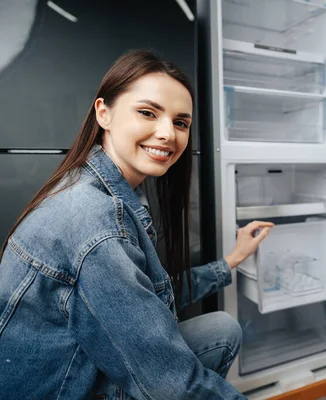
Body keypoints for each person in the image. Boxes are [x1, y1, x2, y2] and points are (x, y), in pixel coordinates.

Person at [0, 50, 272, 399]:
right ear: (104, 113)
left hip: (79, 364)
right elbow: (170, 382)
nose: (167, 134)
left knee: (221, 329)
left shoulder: (95, 184)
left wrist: (230, 262)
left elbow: (143, 297)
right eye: (147, 113)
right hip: (59, 389)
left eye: (180, 122)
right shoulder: (95, 221)